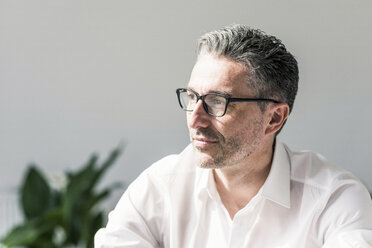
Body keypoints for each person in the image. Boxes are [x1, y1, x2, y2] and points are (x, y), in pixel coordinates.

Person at [95, 24, 372, 247]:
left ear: (274, 118)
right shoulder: (158, 188)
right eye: (192, 97)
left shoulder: (334, 199)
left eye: (217, 102)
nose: (195, 118)